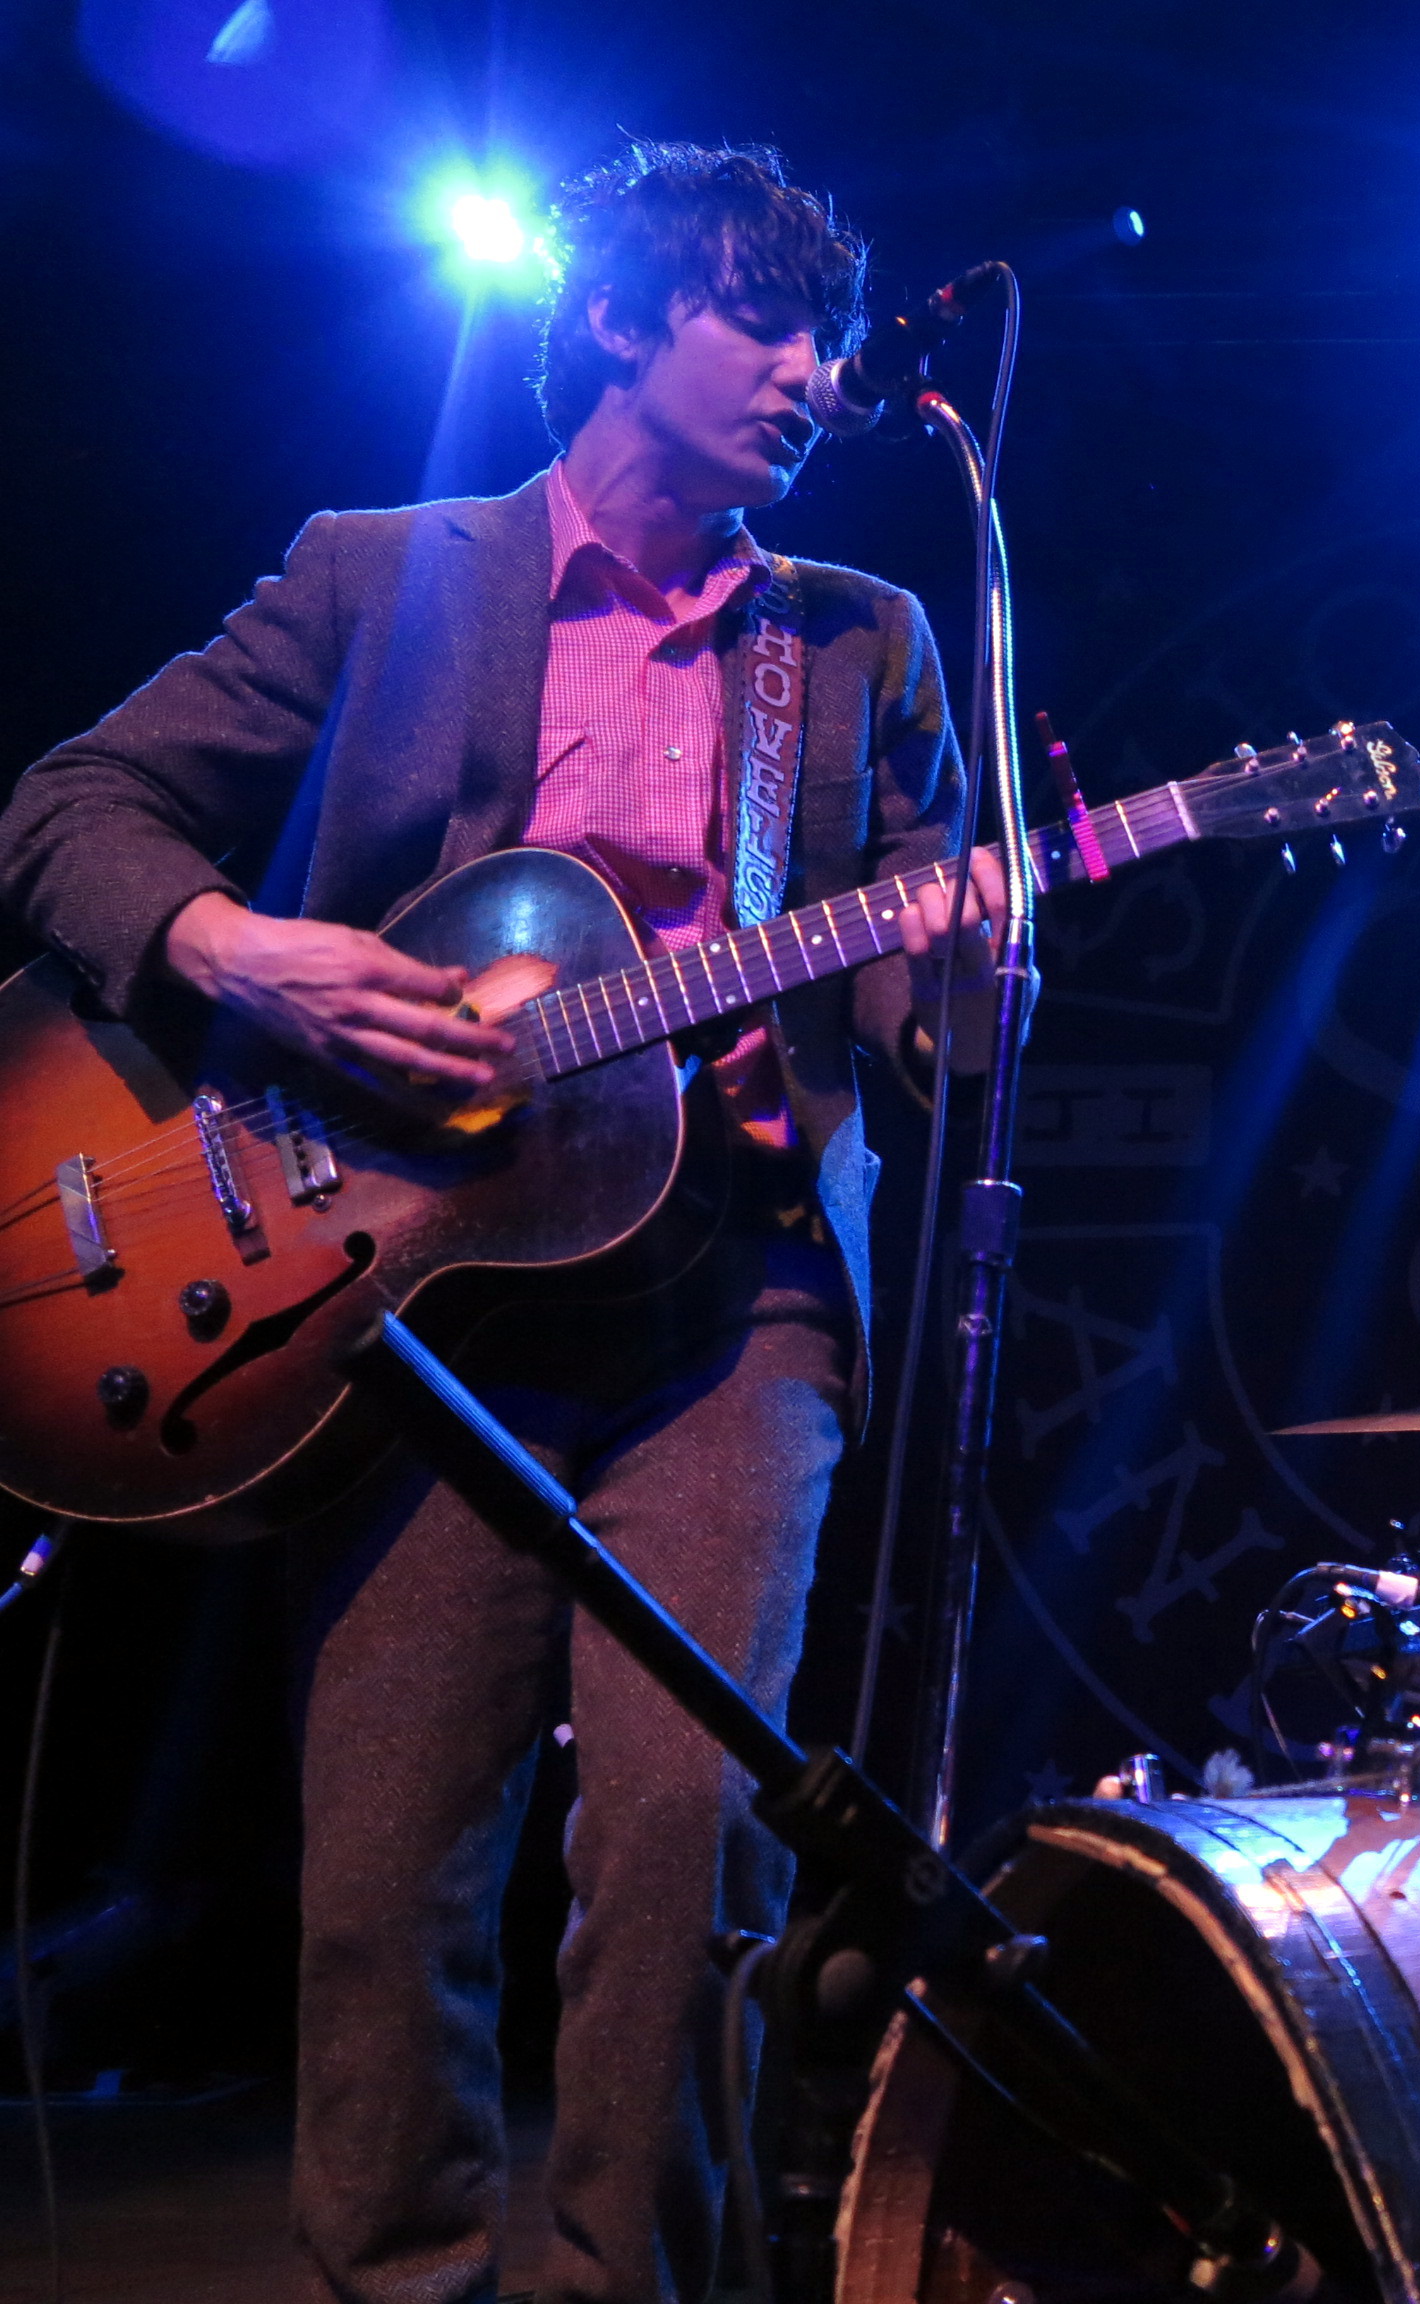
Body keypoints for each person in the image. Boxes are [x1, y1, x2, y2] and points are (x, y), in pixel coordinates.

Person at [0, 143, 1006, 2304]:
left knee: (686, 1840)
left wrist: (969, 964)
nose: (816, 371)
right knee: (384, 1873)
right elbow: (67, 803)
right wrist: (232, 947)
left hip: (728, 1301)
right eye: (767, 317)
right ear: (626, 319)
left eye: (832, 333)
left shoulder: (862, 644)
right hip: (407, 1296)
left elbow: (927, 1029)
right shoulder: (388, 574)